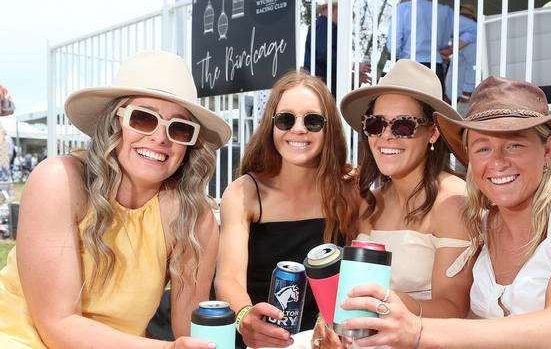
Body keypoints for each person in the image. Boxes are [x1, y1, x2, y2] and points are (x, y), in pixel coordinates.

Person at [340, 76, 551, 348]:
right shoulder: (481, 222)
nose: (497, 162)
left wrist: (417, 330)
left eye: (514, 144)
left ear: (547, 150)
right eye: (482, 148)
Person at [0, 50, 232, 349]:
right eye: (144, 119)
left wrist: (240, 322)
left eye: (179, 128)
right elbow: (57, 324)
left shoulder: (194, 218)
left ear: (189, 144)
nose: (161, 138)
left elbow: (190, 325)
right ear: (114, 123)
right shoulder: (58, 180)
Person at [215, 70, 359, 349]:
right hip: (260, 342)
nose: (298, 129)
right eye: (286, 119)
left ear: (328, 129)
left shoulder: (350, 188)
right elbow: (228, 278)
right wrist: (246, 318)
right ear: (271, 125)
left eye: (313, 120)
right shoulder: (244, 192)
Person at [338, 58, 475, 323]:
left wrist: (384, 301)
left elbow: (452, 309)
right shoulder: (370, 203)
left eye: (403, 125)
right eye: (376, 124)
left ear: (433, 132)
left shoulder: (454, 202)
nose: (386, 136)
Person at [386, 0, 454, 97]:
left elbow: (394, 46)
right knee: (434, 108)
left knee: (409, 109)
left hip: (410, 66)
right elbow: (472, 29)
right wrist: (450, 49)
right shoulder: (445, 11)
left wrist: (399, 56)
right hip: (435, 68)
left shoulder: (403, 9)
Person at [304, 0, 371, 97]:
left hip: (321, 86)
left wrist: (352, 76)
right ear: (331, 8)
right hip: (321, 87)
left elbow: (326, 63)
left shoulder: (323, 26)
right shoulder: (325, 25)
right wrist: (354, 66)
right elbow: (325, 55)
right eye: (343, 11)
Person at [441, 3, 477, 105]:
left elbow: (473, 66)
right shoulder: (458, 39)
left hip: (463, 94)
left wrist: (466, 92)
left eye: (465, 18)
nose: (462, 20)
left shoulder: (473, 40)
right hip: (452, 92)